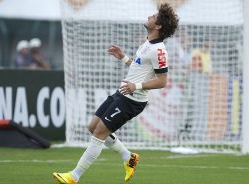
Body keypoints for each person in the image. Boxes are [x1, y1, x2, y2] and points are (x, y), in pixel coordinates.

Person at [53, 3, 179, 184]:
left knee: (99, 133)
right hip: (122, 92)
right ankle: (129, 157)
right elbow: (138, 69)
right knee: (92, 126)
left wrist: (136, 86)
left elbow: (162, 81)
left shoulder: (159, 51)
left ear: (158, 26)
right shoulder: (147, 43)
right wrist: (123, 57)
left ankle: (74, 176)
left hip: (133, 100)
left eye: (154, 16)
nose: (150, 16)